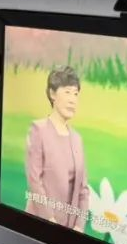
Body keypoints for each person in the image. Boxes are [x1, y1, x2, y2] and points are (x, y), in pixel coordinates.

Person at [24, 65, 89, 232]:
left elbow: (83, 190)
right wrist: (49, 221)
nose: (73, 99)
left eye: (76, 94)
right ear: (52, 94)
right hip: (40, 226)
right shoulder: (38, 130)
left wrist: (79, 226)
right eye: (67, 92)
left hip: (70, 231)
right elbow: (35, 181)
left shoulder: (77, 139)